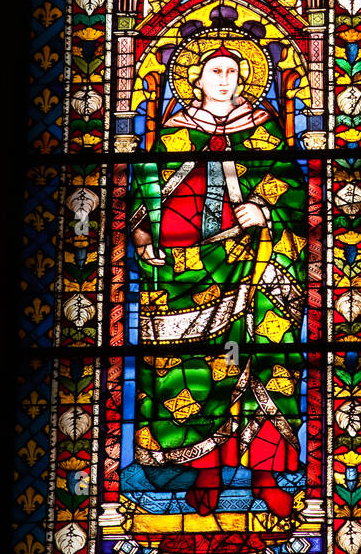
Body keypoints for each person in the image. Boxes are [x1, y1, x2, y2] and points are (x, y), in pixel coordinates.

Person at [129, 35, 307, 518]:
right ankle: (205, 467)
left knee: (270, 361)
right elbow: (142, 197)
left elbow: (293, 185)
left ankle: (268, 473)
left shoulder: (263, 129)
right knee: (194, 369)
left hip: (256, 260)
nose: (225, 80)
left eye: (233, 71)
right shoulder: (173, 134)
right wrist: (144, 237)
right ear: (196, 79)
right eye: (215, 72)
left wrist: (264, 207)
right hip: (187, 270)